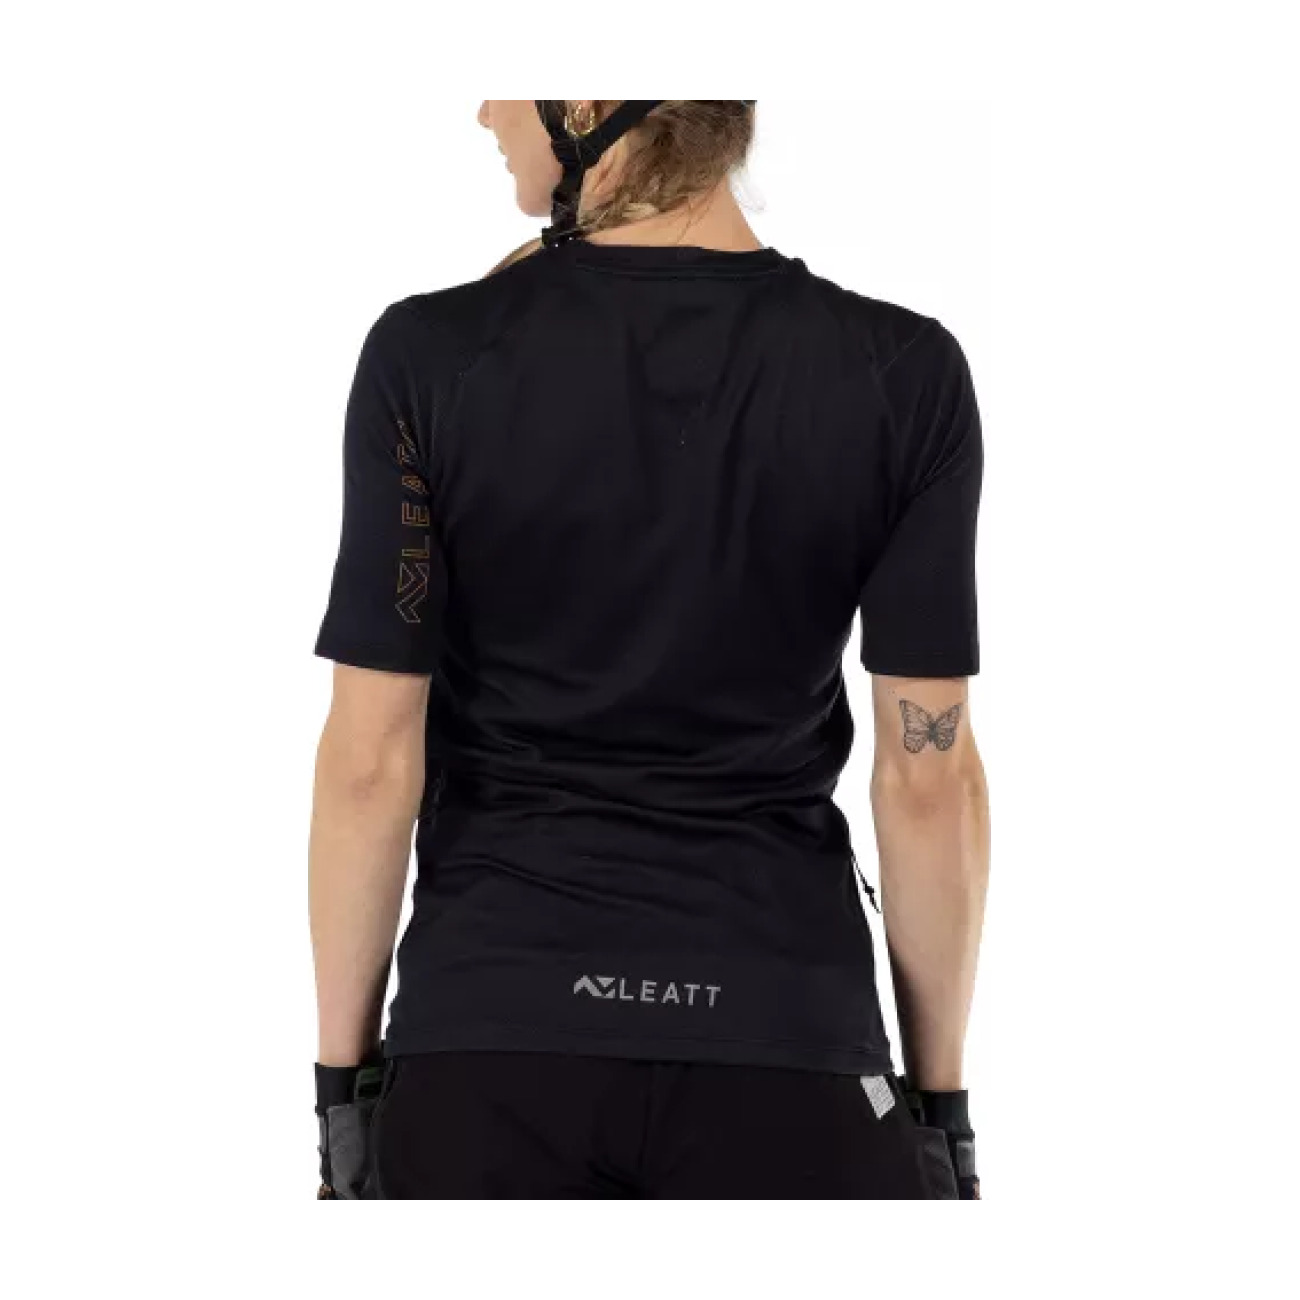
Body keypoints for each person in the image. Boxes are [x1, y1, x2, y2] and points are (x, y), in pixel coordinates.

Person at [310, 100, 989, 1200]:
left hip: (486, 1045)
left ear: (586, 104)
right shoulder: (902, 372)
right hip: (789, 1046)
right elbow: (928, 778)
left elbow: (369, 761)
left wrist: (343, 1093)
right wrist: (939, 1108)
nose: (484, 108)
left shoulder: (430, 355)